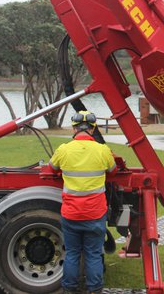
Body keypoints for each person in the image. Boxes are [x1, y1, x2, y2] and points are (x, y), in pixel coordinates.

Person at [50, 110, 116, 294]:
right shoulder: (102, 150)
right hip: (95, 213)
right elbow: (113, 170)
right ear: (93, 128)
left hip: (71, 213)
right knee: (93, 254)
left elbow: (52, 167)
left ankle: (69, 290)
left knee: (72, 253)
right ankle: (95, 290)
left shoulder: (63, 149)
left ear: (73, 127)